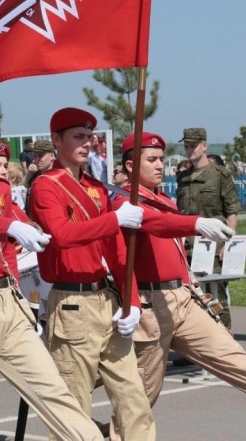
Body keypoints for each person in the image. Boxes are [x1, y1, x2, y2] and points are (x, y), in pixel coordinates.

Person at [114, 132, 246, 434]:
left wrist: (190, 284)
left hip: (181, 297)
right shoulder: (124, 201)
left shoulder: (162, 198)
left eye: (161, 159)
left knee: (226, 351)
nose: (160, 165)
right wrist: (195, 223)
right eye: (152, 160)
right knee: (140, 396)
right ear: (130, 165)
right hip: (151, 306)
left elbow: (173, 248)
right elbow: (155, 224)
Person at [0, 105, 102, 440]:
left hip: (10, 300)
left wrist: (31, 229)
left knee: (54, 392)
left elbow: (16, 235)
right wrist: (9, 226)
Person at [29, 107, 155, 441]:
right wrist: (115, 220)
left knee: (133, 399)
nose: (87, 143)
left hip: (106, 299)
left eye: (89, 137)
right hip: (71, 302)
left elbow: (118, 252)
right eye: (78, 137)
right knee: (74, 407)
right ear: (56, 140)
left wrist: (132, 302)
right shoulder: (45, 187)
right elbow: (62, 235)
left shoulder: (96, 187)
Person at [176, 127, 239, 329]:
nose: (190, 150)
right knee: (190, 296)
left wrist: (226, 243)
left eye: (194, 146)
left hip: (212, 246)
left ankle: (225, 335)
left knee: (216, 296)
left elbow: (232, 211)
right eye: (187, 146)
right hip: (187, 246)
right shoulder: (183, 178)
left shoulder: (220, 175)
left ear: (204, 146)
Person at [24, 139, 56, 213]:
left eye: (40, 156)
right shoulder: (34, 175)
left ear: (52, 156)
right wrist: (28, 175)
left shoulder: (59, 175)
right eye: (35, 156)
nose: (37, 160)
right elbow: (22, 189)